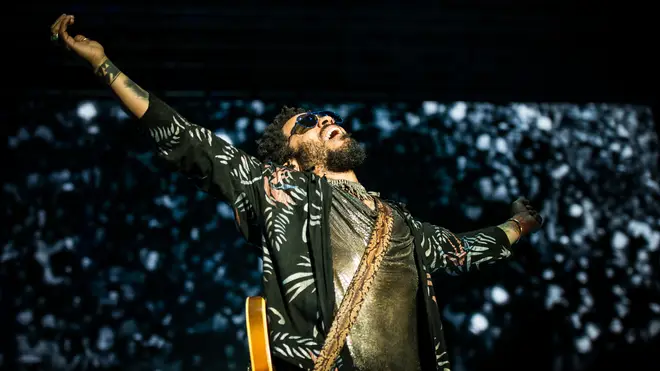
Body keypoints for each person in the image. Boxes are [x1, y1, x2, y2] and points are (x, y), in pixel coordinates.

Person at [50, 14, 543, 371]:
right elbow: (185, 139)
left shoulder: (400, 223)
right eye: (305, 122)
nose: (325, 118)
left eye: (326, 115)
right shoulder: (274, 188)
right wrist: (104, 67)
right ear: (286, 157)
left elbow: (461, 251)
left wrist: (520, 223)